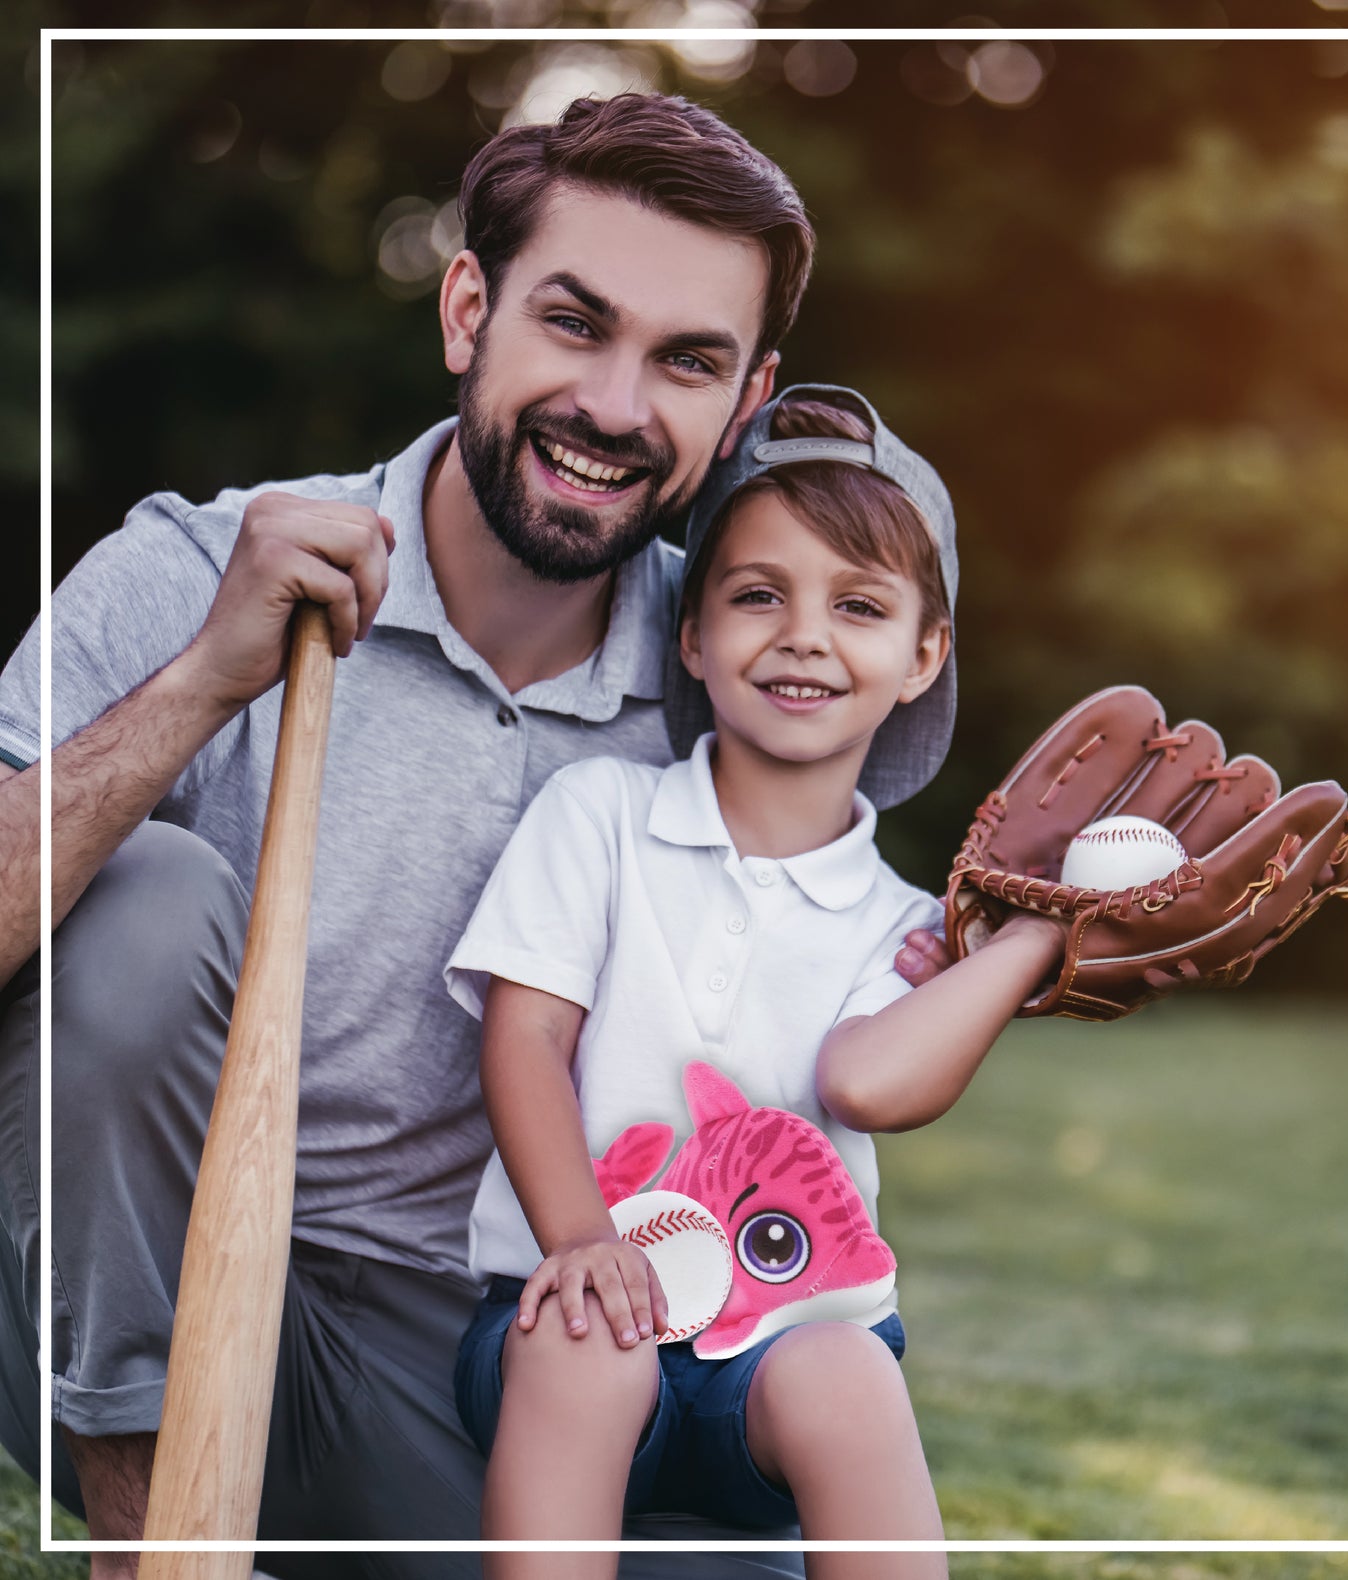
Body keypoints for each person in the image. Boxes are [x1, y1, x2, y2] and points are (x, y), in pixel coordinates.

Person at [0, 93, 949, 1576]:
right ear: (466, 308)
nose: (618, 407)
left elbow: (854, 937)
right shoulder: (198, 566)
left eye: (686, 361)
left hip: (470, 1340)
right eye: (574, 323)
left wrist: (1052, 940)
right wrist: (200, 683)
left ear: (747, 397)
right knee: (147, 904)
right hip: (118, 1284)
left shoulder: (739, 667)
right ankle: (164, 1552)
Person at [444, 387, 1064, 1579]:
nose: (804, 635)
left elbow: (869, 1081)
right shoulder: (601, 816)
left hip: (774, 1356)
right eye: (757, 594)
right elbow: (522, 1042)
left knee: (847, 1371)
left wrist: (1026, 940)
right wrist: (581, 1240)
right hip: (564, 1312)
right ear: (691, 631)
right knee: (588, 1337)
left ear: (921, 653)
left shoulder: (902, 927)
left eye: (861, 605)